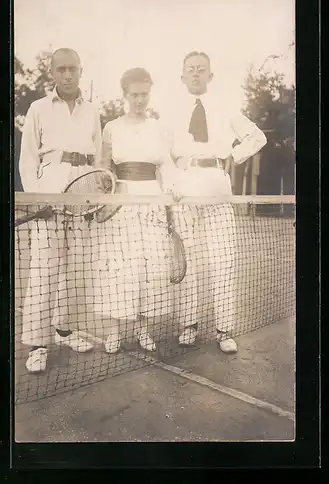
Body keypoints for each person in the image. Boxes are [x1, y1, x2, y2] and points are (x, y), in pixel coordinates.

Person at [166, 51, 267, 351]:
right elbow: (163, 153)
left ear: (211, 75)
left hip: (217, 185)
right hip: (184, 187)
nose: (196, 74)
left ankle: (225, 330)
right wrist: (172, 183)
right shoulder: (171, 111)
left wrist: (232, 158)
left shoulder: (226, 108)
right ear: (182, 76)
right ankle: (189, 325)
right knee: (189, 261)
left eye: (201, 69)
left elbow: (257, 137)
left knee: (223, 260)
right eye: (190, 69)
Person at [19, 48, 102, 372]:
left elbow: (97, 159)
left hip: (82, 193)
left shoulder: (92, 111)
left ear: (81, 71)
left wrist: (96, 197)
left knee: (77, 268)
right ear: (52, 73)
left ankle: (64, 330)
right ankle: (38, 344)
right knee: (44, 270)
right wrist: (37, 197)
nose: (68, 75)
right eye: (61, 69)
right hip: (50, 192)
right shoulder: (38, 108)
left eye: (73, 69)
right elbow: (28, 159)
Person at [94, 67, 174, 354]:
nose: (140, 99)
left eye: (145, 94)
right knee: (121, 265)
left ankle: (143, 329)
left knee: (149, 265)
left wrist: (169, 193)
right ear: (125, 95)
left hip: (152, 199)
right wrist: (111, 188)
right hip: (122, 202)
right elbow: (103, 167)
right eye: (135, 94)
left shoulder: (158, 127)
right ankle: (114, 332)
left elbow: (166, 165)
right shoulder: (112, 127)